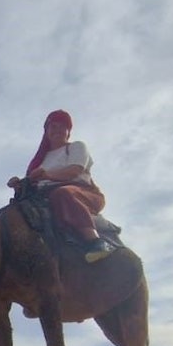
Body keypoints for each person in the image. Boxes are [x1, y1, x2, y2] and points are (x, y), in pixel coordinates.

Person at [8, 109, 114, 262]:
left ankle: (95, 241)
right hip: (44, 197)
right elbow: (33, 182)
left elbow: (75, 171)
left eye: (62, 127)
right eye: (53, 127)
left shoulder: (76, 147)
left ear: (68, 131)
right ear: (47, 132)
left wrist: (47, 175)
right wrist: (19, 184)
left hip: (82, 193)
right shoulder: (41, 160)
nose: (57, 130)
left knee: (63, 194)